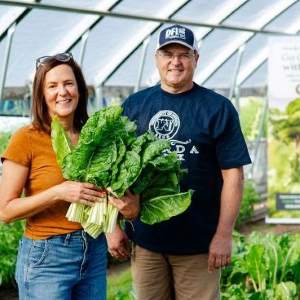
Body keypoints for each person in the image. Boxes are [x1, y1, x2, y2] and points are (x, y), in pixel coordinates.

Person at [106, 24, 251, 300]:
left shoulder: (217, 108)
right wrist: (112, 227)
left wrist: (223, 235)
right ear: (156, 59)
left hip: (199, 244)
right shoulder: (134, 106)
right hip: (147, 241)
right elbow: (113, 170)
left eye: (184, 54)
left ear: (196, 58)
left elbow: (234, 175)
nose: (175, 61)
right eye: (168, 54)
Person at [0, 53, 139, 300]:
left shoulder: (95, 135)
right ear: (41, 94)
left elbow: (102, 192)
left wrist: (112, 226)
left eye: (68, 83)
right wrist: (58, 192)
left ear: (79, 89)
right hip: (47, 257)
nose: (62, 92)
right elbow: (6, 211)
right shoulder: (27, 138)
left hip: (93, 251)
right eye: (52, 86)